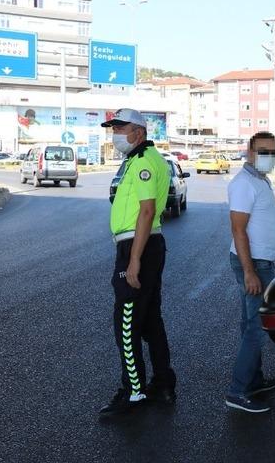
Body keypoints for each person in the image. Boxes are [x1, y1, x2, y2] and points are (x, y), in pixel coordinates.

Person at [100, 108, 176, 415]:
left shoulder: (144, 162)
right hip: (147, 244)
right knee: (150, 321)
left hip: (138, 246)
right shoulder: (141, 159)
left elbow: (146, 210)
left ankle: (134, 392)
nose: (116, 134)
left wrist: (133, 260)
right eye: (114, 128)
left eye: (121, 128)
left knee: (127, 323)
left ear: (139, 133)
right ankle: (163, 384)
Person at [225, 131, 275, 413]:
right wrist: (250, 272)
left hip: (259, 262)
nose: (268, 157)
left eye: (272, 151)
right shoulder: (244, 183)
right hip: (253, 263)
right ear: (249, 151)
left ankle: (254, 380)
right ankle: (237, 391)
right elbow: (238, 229)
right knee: (258, 328)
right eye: (262, 151)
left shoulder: (259, 179)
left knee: (251, 324)